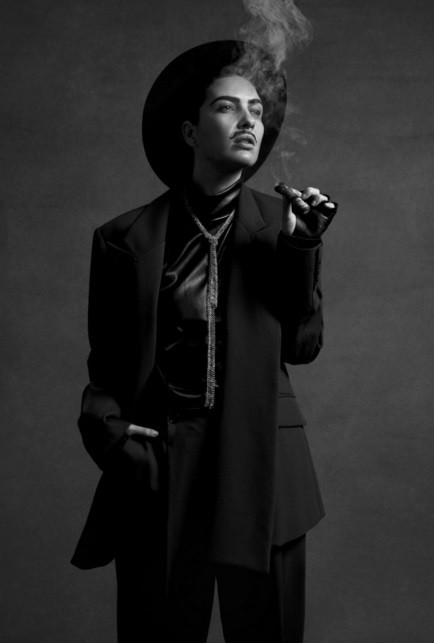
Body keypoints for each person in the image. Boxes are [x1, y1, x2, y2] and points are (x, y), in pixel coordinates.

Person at [71, 40, 338, 643]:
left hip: (264, 462)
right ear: (190, 132)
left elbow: (303, 346)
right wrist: (110, 433)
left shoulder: (284, 225)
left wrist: (301, 248)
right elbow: (106, 366)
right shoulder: (122, 239)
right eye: (227, 107)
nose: (249, 120)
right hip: (165, 465)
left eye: (256, 111)